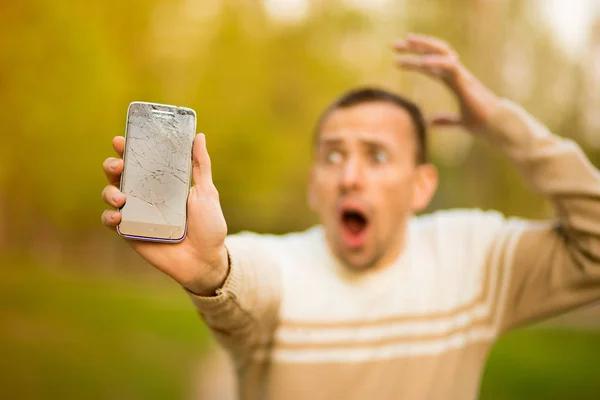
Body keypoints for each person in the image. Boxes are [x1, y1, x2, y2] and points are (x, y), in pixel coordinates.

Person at [101, 33, 600, 400]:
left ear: (422, 185)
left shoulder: (474, 255)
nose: (349, 176)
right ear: (314, 184)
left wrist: (498, 121)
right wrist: (213, 272)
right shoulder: (282, 264)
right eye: (333, 155)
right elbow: (245, 279)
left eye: (376, 156)